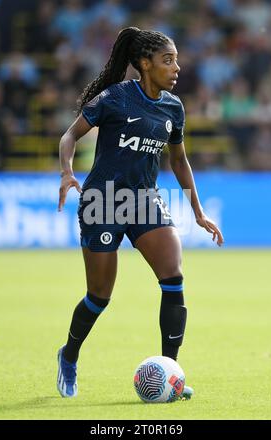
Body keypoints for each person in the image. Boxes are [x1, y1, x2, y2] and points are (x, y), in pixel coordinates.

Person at [57, 26, 224, 399]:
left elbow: (179, 162)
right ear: (145, 64)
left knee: (173, 277)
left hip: (145, 200)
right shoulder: (115, 97)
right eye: (168, 60)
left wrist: (197, 211)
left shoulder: (172, 107)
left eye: (177, 59)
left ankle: (172, 373)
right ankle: (68, 356)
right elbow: (69, 136)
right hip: (102, 202)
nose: (176, 67)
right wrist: (68, 173)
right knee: (99, 296)